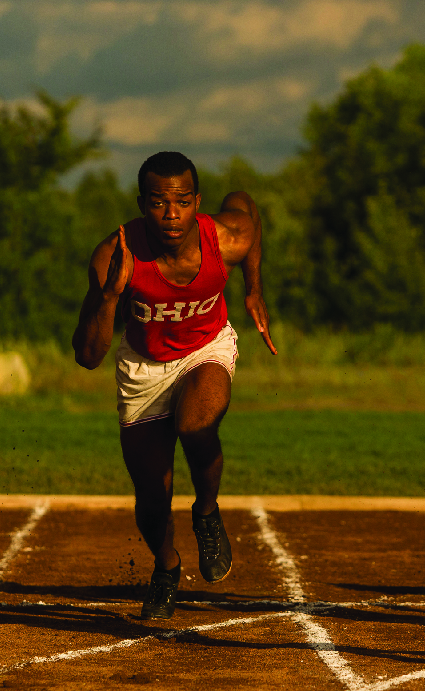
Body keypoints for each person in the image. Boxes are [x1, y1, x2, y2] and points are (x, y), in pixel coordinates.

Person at [72, 152, 275, 619]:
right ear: (142, 204)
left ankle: (206, 510)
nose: (171, 214)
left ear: (197, 202)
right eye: (160, 203)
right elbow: (87, 356)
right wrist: (110, 296)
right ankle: (166, 567)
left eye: (182, 202)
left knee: (197, 424)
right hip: (143, 367)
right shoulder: (113, 255)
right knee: (151, 494)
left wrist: (254, 286)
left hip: (206, 348)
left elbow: (246, 205)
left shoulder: (226, 238)